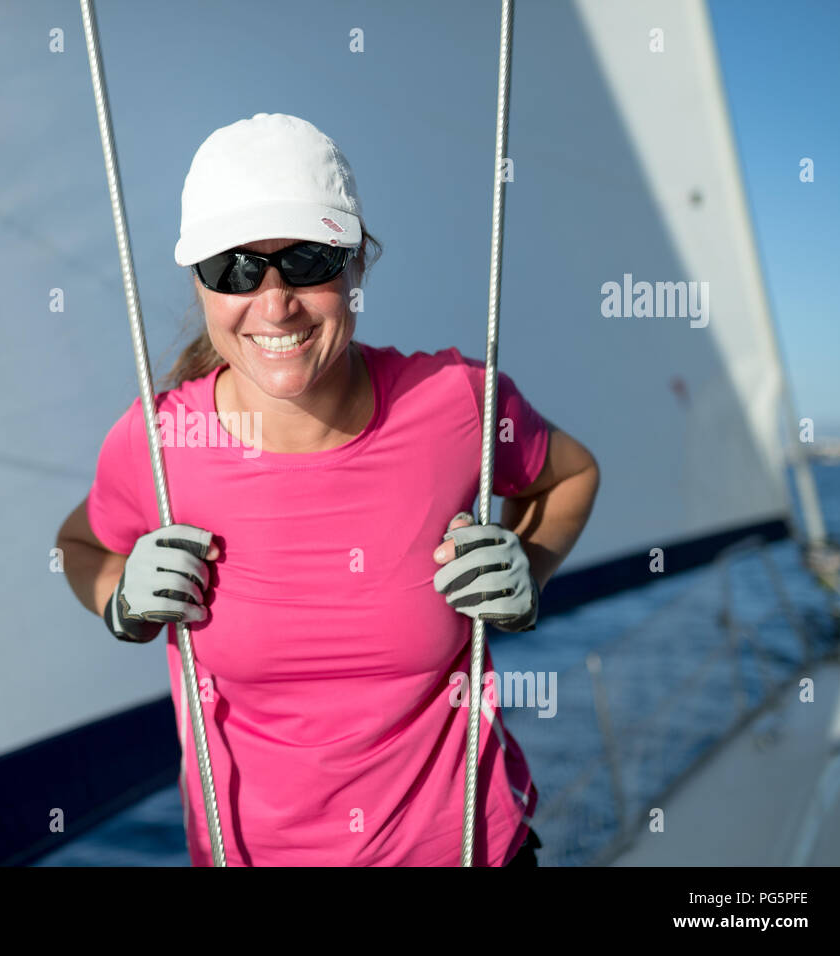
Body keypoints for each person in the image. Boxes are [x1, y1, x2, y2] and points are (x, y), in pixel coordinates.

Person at [56, 113, 599, 866]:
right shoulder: (158, 444)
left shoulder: (456, 402)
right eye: (234, 270)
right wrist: (120, 598)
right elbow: (80, 543)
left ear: (355, 267)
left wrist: (528, 570)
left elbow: (569, 474)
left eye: (308, 261)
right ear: (201, 285)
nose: (274, 303)